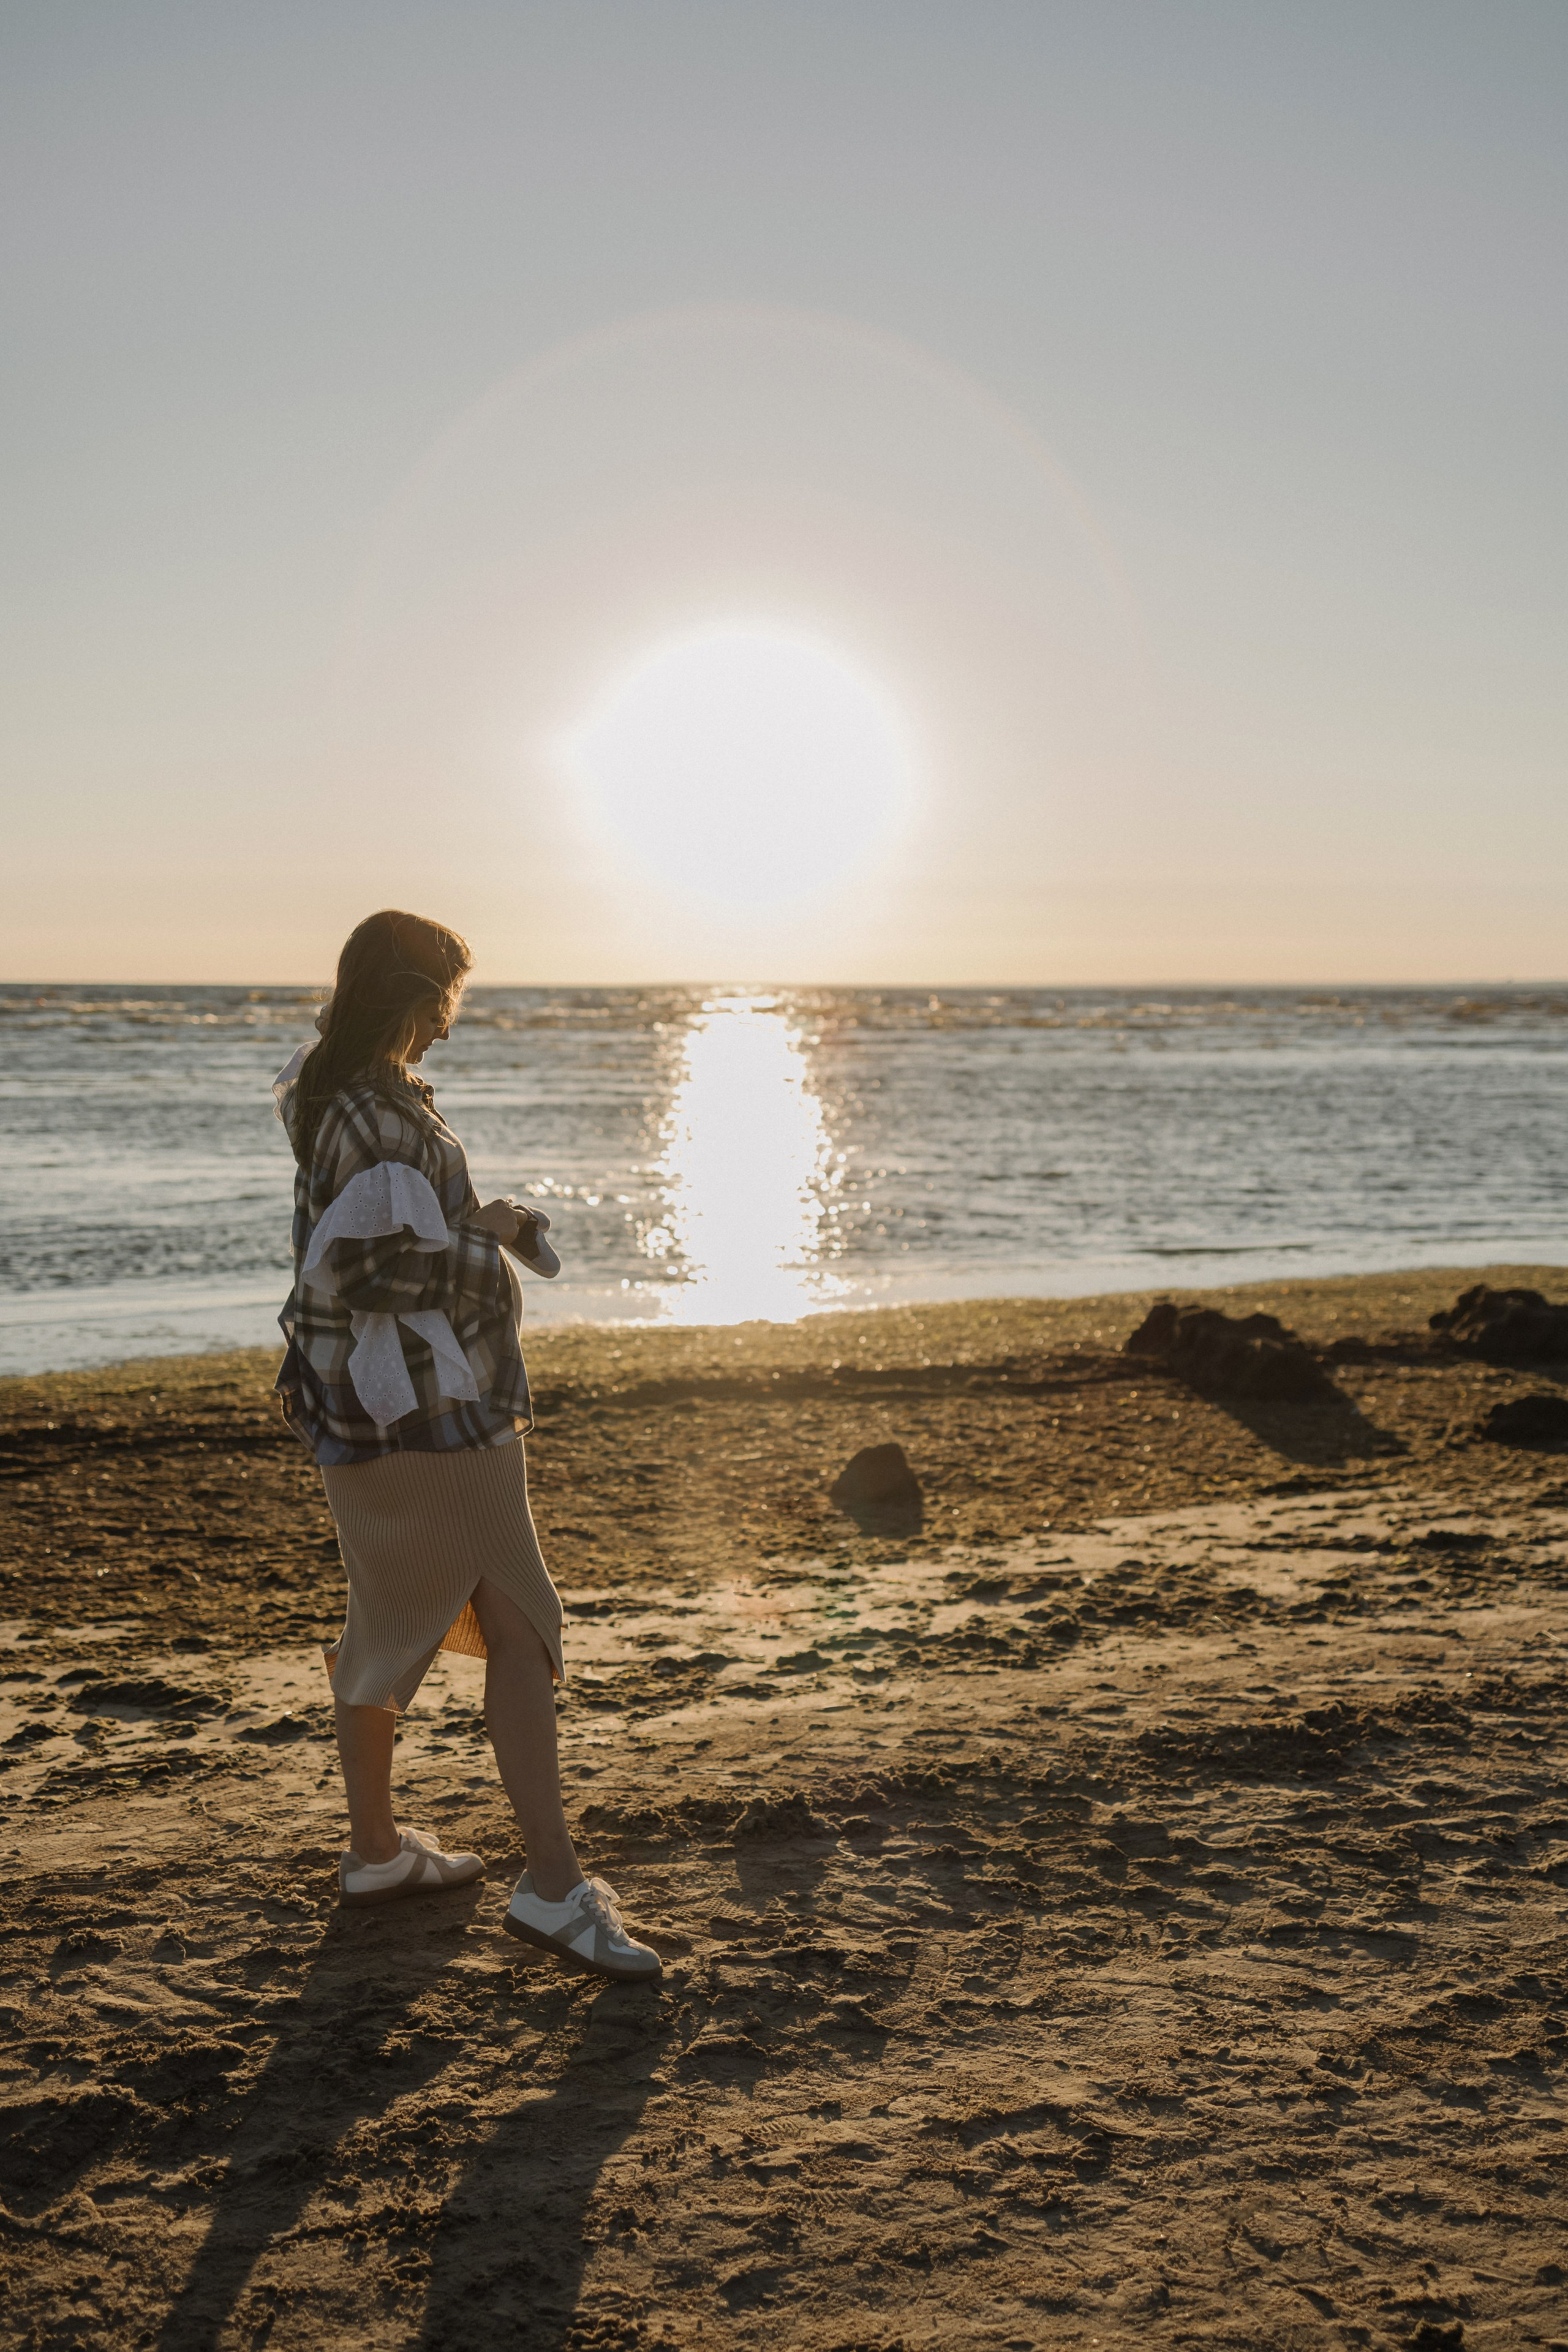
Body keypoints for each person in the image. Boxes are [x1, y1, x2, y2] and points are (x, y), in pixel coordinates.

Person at [272, 908, 658, 1982]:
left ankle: (378, 1854)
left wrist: (473, 1218)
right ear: (410, 997)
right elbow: (370, 1276)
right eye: (445, 1006)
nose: (448, 1031)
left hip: (362, 1407)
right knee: (524, 1624)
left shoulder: (338, 1093)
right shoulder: (378, 1118)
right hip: (436, 1410)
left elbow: (369, 1248)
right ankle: (551, 1886)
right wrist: (486, 1237)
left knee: (387, 1615)